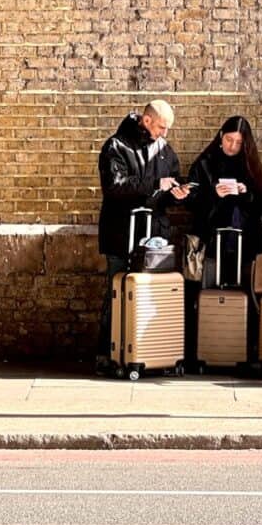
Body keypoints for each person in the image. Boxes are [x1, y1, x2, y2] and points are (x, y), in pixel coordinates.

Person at [96, 99, 190, 368]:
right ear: (146, 120)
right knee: (115, 294)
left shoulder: (165, 151)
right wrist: (154, 184)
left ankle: (147, 353)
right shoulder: (116, 146)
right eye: (161, 126)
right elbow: (114, 187)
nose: (164, 133)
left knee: (151, 295)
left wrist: (178, 195)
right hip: (121, 232)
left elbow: (167, 193)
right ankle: (108, 354)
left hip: (154, 236)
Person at [187, 116, 262, 287]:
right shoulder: (204, 163)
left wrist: (246, 192)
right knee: (210, 290)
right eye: (229, 140)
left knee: (243, 292)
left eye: (238, 142)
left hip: (246, 240)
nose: (232, 146)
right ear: (221, 136)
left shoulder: (249, 165)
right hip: (210, 241)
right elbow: (190, 200)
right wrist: (213, 193)